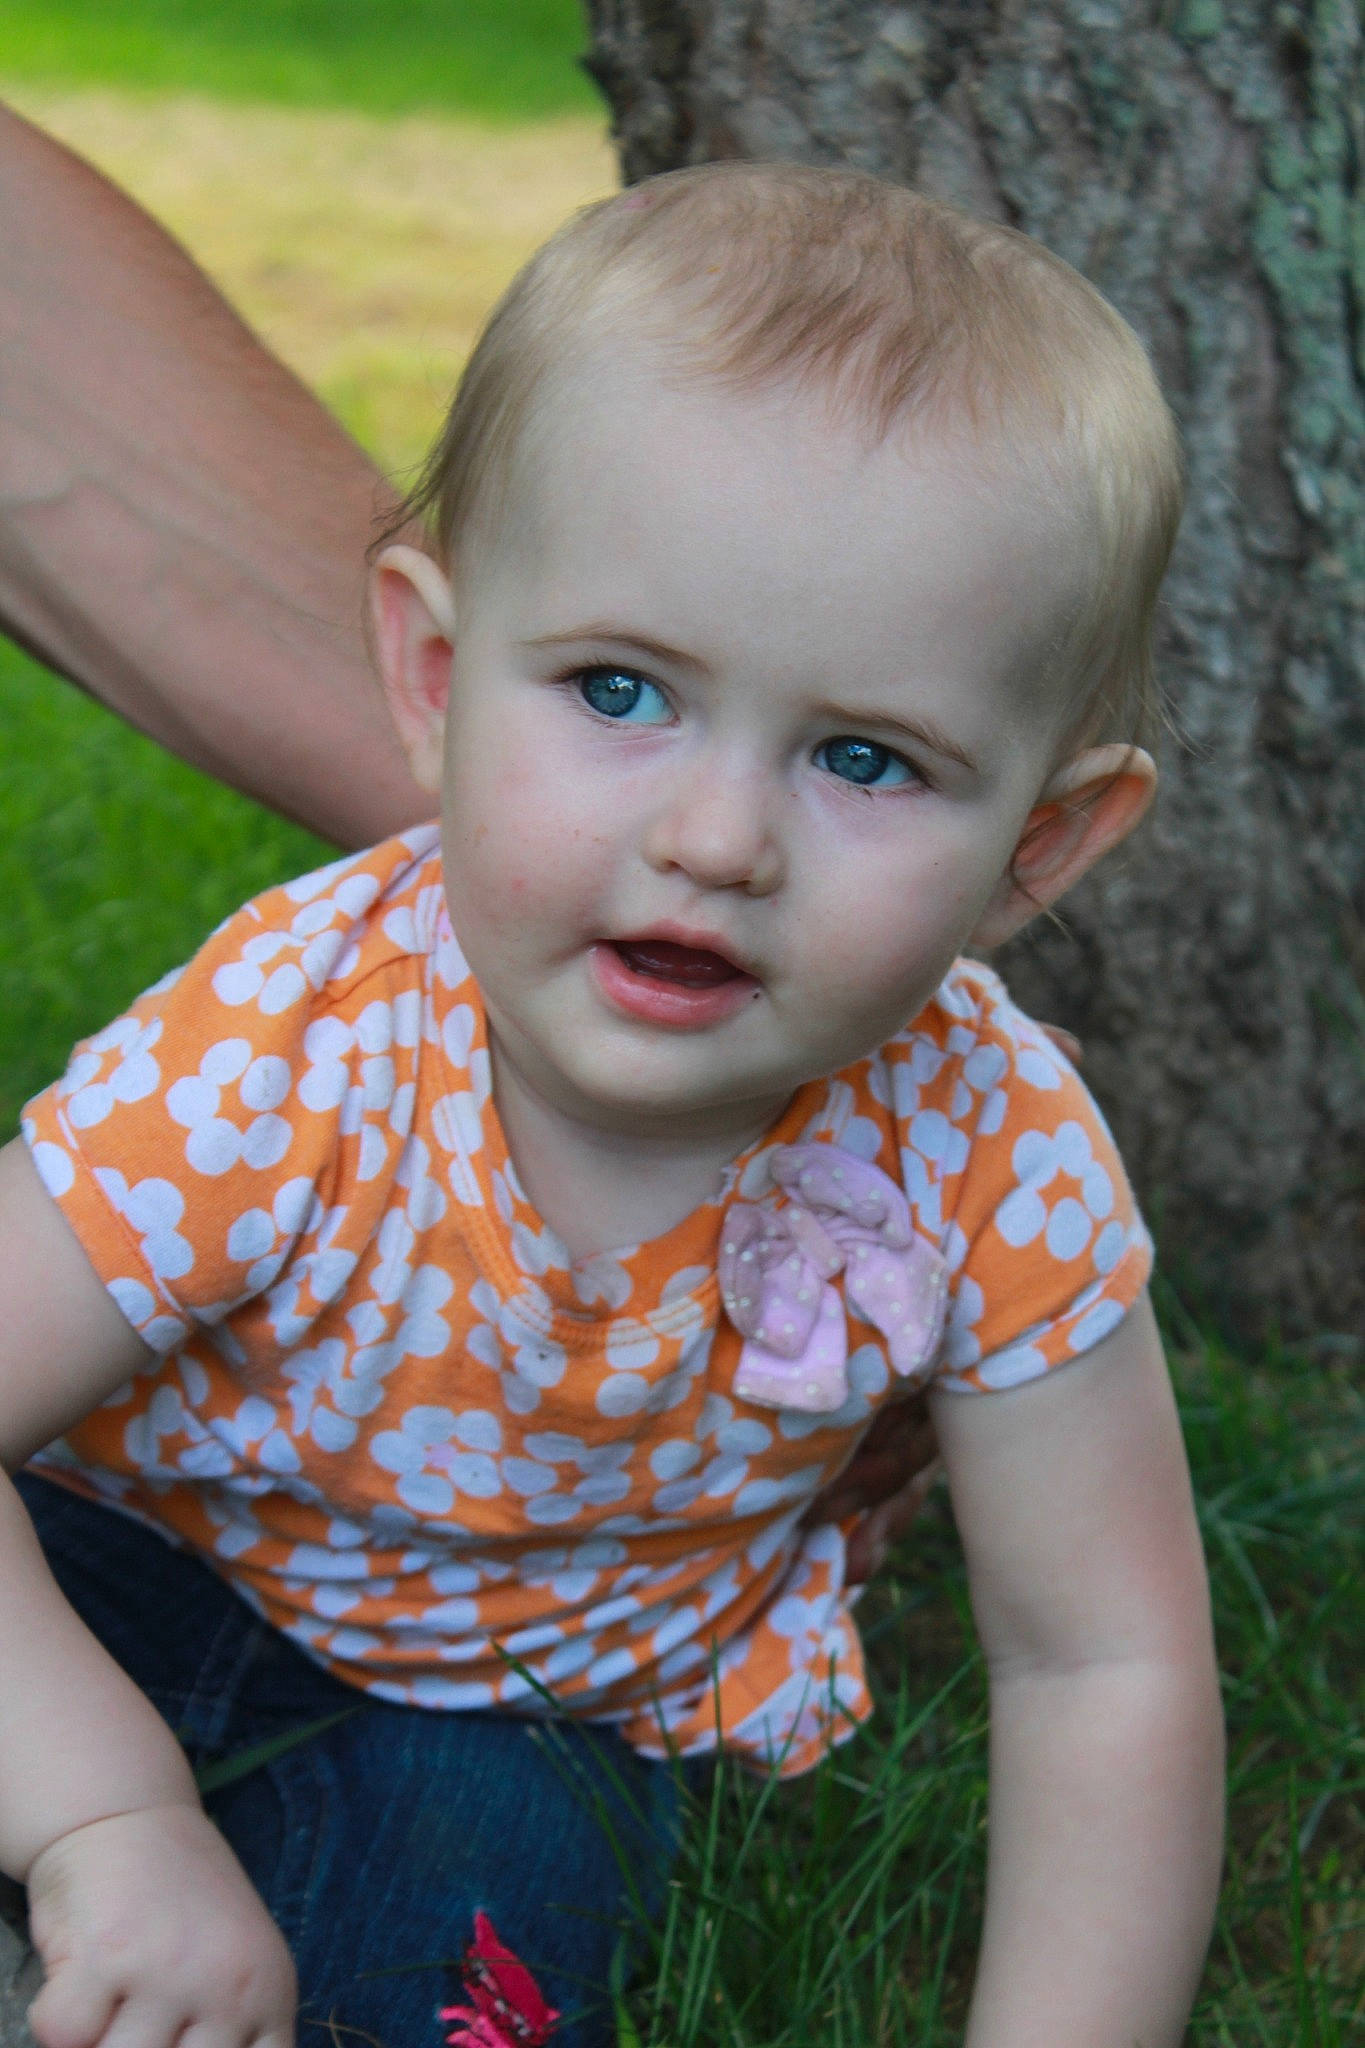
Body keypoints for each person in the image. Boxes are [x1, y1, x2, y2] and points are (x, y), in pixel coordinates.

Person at [0, 161, 1223, 2048]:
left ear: (1037, 847)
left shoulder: (995, 1150)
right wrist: (103, 1813)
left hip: (524, 1709)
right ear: (430, 670)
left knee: (447, 1967)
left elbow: (1104, 1664)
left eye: (864, 756)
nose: (714, 837)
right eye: (621, 692)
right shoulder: (300, 1041)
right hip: (115, 1576)